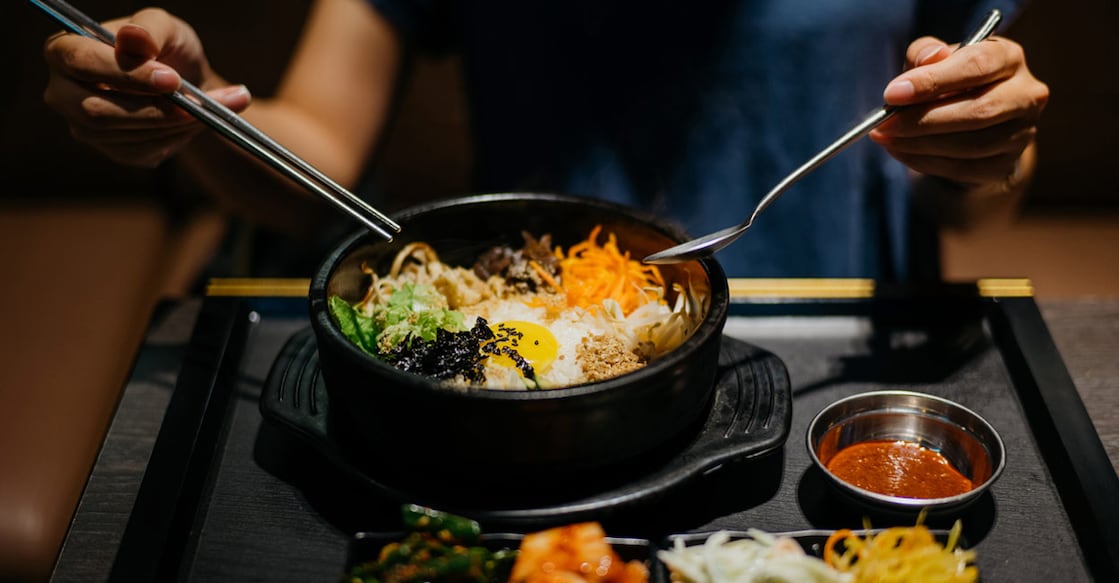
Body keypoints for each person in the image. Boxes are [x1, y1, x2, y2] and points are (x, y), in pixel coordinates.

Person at [42, 0, 1048, 279]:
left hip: (843, 332)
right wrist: (202, 103)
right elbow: (319, 152)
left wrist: (986, 148)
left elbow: (975, 183)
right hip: (537, 352)